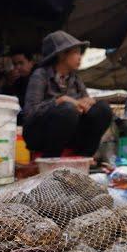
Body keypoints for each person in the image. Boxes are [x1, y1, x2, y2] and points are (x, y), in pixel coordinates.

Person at [23, 30, 112, 158]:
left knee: (102, 109)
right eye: (76, 52)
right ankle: (50, 159)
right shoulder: (40, 75)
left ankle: (84, 157)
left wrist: (88, 102)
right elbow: (30, 113)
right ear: (61, 55)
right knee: (67, 110)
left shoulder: (75, 79)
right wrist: (59, 101)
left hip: (69, 135)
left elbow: (86, 105)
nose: (80, 57)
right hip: (41, 136)